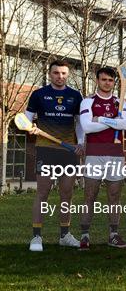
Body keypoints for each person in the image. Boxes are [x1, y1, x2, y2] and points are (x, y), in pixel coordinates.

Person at [27, 60, 84, 252]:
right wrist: (31, 128)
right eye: (56, 73)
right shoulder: (39, 94)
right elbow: (26, 120)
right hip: (45, 149)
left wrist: (80, 143)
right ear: (50, 74)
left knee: (66, 193)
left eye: (64, 74)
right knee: (43, 192)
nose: (60, 77)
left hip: (68, 151)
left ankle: (65, 235)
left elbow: (79, 123)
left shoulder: (75, 96)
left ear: (68, 75)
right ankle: (36, 237)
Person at [78, 67, 126, 249]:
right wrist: (111, 121)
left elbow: (125, 124)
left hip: (116, 155)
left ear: (114, 82)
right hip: (94, 154)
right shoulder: (87, 102)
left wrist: (100, 119)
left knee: (114, 197)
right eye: (104, 79)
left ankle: (113, 235)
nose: (107, 82)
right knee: (90, 196)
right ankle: (84, 235)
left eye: (110, 80)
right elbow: (87, 126)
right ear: (97, 80)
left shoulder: (120, 101)